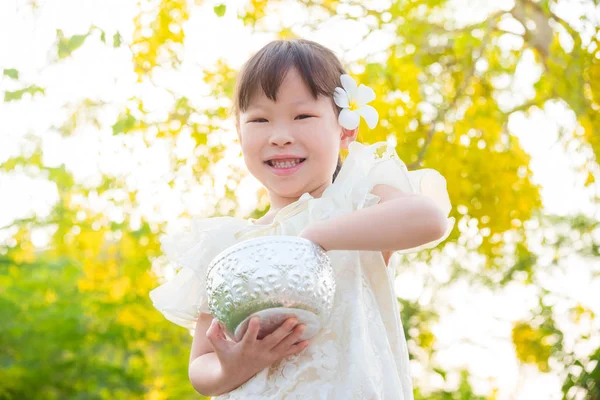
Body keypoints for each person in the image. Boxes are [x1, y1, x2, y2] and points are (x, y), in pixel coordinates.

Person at [150, 38, 455, 399]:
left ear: (346, 129)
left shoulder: (357, 203)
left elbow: (429, 217)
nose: (280, 136)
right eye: (260, 119)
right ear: (239, 134)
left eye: (303, 116)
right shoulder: (228, 247)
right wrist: (233, 366)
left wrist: (318, 237)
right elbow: (200, 365)